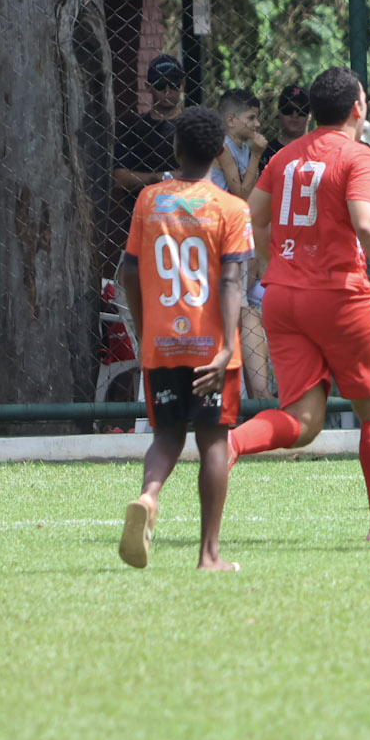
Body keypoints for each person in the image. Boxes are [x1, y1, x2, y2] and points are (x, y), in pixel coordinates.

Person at [227, 67, 370, 542]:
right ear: (358, 107)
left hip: (282, 297)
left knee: (303, 422)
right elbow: (369, 225)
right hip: (338, 296)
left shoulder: (284, 157)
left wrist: (275, 260)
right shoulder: (360, 158)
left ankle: (231, 443)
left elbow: (253, 215)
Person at [115, 106, 252, 571]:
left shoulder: (148, 200)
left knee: (167, 435)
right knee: (214, 442)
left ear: (175, 149)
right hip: (211, 347)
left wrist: (143, 329)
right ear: (219, 152)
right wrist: (228, 346)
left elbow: (130, 271)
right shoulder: (230, 208)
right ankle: (208, 555)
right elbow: (231, 280)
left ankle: (149, 497)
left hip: (162, 342)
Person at [113, 53, 187, 194]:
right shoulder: (133, 127)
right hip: (145, 203)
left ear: (182, 85)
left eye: (174, 84)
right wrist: (167, 177)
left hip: (186, 202)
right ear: (148, 87)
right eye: (160, 84)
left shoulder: (194, 123)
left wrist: (150, 179)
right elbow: (120, 178)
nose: (167, 90)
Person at [211, 88, 267, 200]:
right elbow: (242, 196)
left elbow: (250, 189)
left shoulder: (245, 148)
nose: (257, 124)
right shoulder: (221, 146)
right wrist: (256, 155)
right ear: (231, 120)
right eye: (251, 118)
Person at [264, 84, 311, 156]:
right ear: (279, 112)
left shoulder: (317, 148)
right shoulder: (266, 151)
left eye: (301, 110)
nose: (294, 115)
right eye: (288, 109)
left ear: (310, 114)